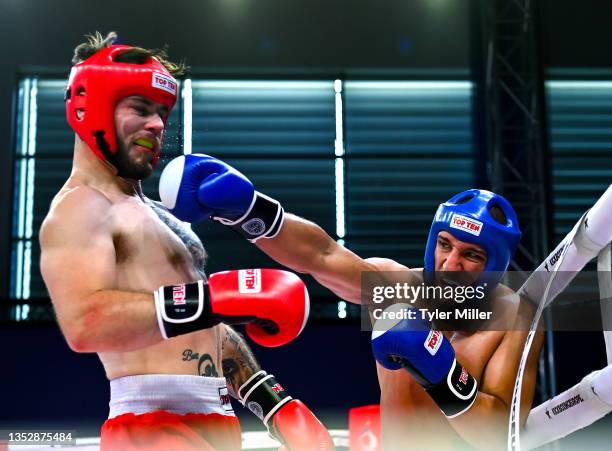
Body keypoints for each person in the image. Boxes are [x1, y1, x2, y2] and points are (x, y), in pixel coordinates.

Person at [39, 32, 334, 451]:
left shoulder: (157, 213)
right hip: (149, 425)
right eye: (140, 108)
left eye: (161, 112)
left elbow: (204, 324)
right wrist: (214, 299)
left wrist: (273, 403)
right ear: (92, 107)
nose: (158, 124)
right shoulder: (80, 207)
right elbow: (84, 324)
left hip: (213, 417)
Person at [160, 154, 545, 450]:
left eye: (471, 255)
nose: (450, 264)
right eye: (445, 245)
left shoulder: (515, 316)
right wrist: (248, 210)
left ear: (494, 264)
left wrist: (442, 375)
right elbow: (321, 256)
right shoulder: (398, 288)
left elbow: (498, 432)